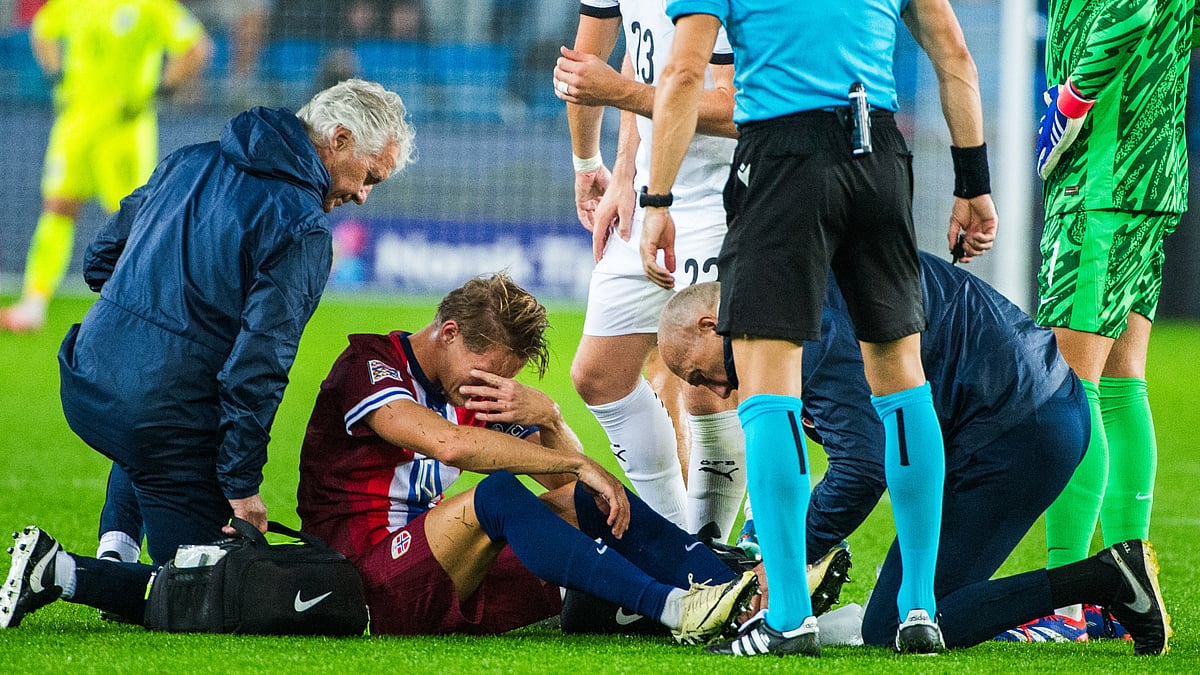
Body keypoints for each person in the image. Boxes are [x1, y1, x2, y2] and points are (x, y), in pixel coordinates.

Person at [639, 0, 998, 656]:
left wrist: (656, 198)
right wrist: (974, 183)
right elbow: (955, 56)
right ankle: (920, 607)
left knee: (769, 386)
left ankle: (787, 615)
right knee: (902, 381)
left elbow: (685, 72)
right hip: (880, 153)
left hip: (783, 156)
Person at [0, 78, 415, 630]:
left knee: (150, 414)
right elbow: (258, 369)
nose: (363, 195)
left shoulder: (189, 160)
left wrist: (158, 326)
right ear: (338, 139)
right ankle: (57, 571)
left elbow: (101, 260)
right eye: (369, 178)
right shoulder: (304, 228)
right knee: (209, 588)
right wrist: (241, 488)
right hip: (155, 418)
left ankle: (116, 551)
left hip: (88, 380)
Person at [656, 258, 1172, 656]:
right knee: (908, 608)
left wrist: (789, 554)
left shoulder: (805, 328)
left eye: (700, 375)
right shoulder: (800, 301)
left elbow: (862, 466)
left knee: (899, 625)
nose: (718, 392)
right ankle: (1106, 597)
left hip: (1020, 430)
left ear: (709, 323)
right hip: (1020, 415)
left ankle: (1108, 580)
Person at [293, 273, 756, 639]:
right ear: (449, 332)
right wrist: (578, 463)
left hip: (442, 575)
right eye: (490, 371)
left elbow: (572, 490)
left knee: (592, 502)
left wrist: (550, 419)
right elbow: (448, 443)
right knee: (497, 495)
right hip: (362, 579)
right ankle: (674, 608)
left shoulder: (474, 389)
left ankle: (740, 593)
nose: (488, 387)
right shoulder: (370, 364)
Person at [552, 0, 744, 539]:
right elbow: (632, 60)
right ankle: (681, 546)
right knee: (598, 376)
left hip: (717, 197)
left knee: (710, 378)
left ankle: (713, 550)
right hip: (645, 195)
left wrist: (619, 94)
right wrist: (605, 167)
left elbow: (741, 108)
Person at [1033, 0, 1192, 637]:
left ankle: (1066, 602)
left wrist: (1070, 101)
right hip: (1149, 172)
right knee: (1124, 387)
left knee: (1072, 388)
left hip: (1102, 178)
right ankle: (1129, 592)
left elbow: (1129, 12)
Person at [0, 0, 212, 333]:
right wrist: (57, 74)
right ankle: (34, 303)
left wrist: (160, 88)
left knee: (134, 222)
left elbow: (197, 47)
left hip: (123, 132)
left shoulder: (151, 7)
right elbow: (42, 31)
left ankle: (155, 310)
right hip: (75, 126)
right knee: (58, 207)